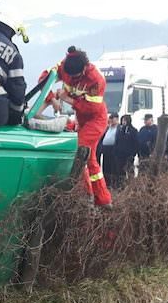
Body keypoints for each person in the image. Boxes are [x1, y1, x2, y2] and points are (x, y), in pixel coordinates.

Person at [41, 47, 112, 207]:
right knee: (90, 159)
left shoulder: (96, 79)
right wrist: (52, 98)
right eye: (69, 77)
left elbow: (92, 108)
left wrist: (67, 99)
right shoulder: (62, 66)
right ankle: (103, 200)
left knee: (79, 151)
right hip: (80, 119)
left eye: (76, 76)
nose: (72, 80)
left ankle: (86, 197)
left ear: (85, 67)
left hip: (96, 120)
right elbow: (44, 78)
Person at [99, 113, 122, 188]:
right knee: (106, 167)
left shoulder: (120, 128)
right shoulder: (107, 128)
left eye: (113, 119)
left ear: (117, 119)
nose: (111, 120)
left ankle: (114, 184)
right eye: (110, 119)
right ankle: (107, 184)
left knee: (114, 168)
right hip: (105, 150)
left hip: (114, 150)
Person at [116, 114, 140, 181]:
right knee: (120, 170)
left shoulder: (133, 131)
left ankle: (131, 183)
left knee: (129, 169)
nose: (123, 122)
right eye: (122, 120)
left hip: (129, 154)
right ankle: (121, 183)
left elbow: (136, 143)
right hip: (120, 155)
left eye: (124, 120)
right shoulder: (120, 130)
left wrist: (134, 153)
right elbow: (117, 141)